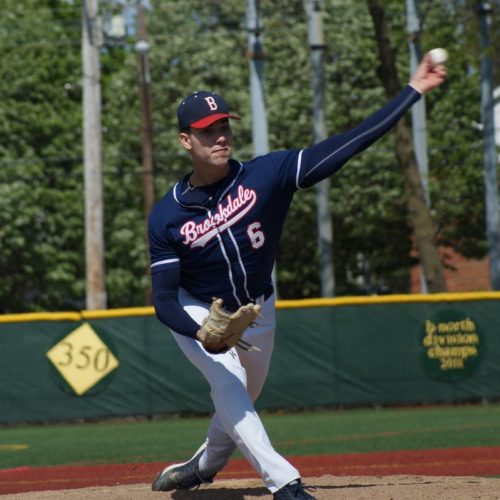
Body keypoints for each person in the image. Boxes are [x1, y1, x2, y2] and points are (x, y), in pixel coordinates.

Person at [148, 53, 446, 499]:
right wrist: (202, 329)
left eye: (225, 125)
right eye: (208, 130)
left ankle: (204, 464)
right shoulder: (167, 215)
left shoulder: (267, 175)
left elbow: (348, 143)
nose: (221, 136)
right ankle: (284, 483)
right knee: (227, 381)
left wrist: (413, 90)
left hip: (255, 311)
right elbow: (164, 300)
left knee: (243, 394)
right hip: (199, 309)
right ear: (185, 140)